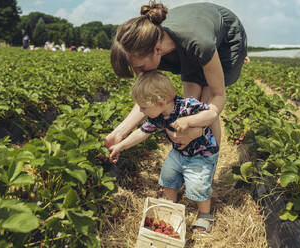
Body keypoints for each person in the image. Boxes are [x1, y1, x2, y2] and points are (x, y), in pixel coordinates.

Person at [105, 1, 247, 154]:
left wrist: (197, 128)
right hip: (189, 38)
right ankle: (188, 161)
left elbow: (218, 97)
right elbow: (147, 97)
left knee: (205, 103)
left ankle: (208, 162)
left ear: (157, 50)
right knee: (188, 107)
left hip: (224, 39)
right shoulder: (148, 47)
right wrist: (119, 132)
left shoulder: (199, 44)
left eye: (140, 67)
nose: (139, 73)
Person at [109, 70, 219, 233]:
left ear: (160, 102)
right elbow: (142, 133)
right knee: (167, 175)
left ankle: (204, 215)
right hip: (179, 154)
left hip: (202, 155)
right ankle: (170, 203)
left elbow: (211, 114)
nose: (141, 110)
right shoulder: (157, 117)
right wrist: (120, 146)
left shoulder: (188, 105)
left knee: (198, 185)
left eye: (143, 106)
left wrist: (189, 121)